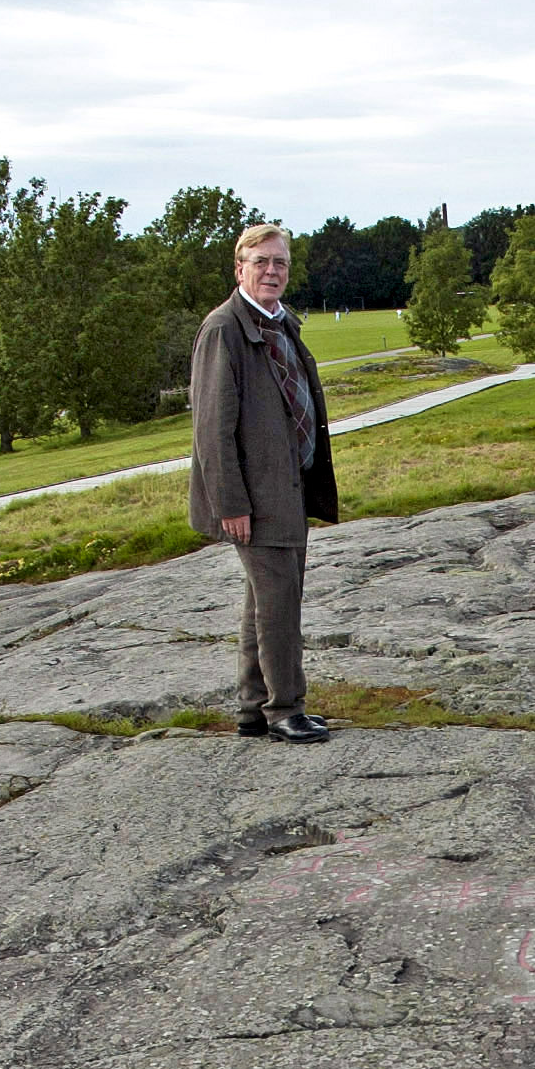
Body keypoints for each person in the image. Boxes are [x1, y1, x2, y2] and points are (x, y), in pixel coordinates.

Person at [188, 224, 338, 742]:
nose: (271, 271)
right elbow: (212, 430)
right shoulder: (224, 329)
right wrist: (231, 503)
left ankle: (253, 709)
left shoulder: (282, 324)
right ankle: (285, 709)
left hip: (288, 490)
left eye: (280, 263)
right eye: (261, 262)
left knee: (265, 601)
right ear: (240, 268)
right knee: (280, 604)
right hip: (254, 499)